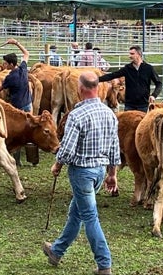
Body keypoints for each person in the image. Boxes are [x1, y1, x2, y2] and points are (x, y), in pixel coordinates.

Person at [42, 71, 120, 275]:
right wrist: (112, 174)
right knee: (76, 213)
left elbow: (66, 149)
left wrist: (57, 165)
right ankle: (57, 251)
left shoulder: (77, 115)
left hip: (82, 172)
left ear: (81, 89)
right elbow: (114, 147)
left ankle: (104, 264)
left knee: (89, 216)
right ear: (97, 88)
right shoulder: (109, 114)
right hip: (100, 171)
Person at [0, 39, 33, 166]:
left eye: (5, 63)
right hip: (28, 104)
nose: (4, 65)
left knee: (16, 132)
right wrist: (16, 43)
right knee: (29, 129)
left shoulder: (10, 77)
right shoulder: (23, 69)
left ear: (10, 64)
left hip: (17, 107)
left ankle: (17, 158)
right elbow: (26, 54)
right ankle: (31, 157)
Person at [98, 45, 162, 112]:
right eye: (130, 54)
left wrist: (154, 95)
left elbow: (159, 83)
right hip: (129, 105)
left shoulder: (148, 68)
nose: (129, 56)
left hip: (143, 105)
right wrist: (97, 80)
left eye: (132, 54)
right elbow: (112, 75)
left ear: (138, 54)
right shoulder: (127, 68)